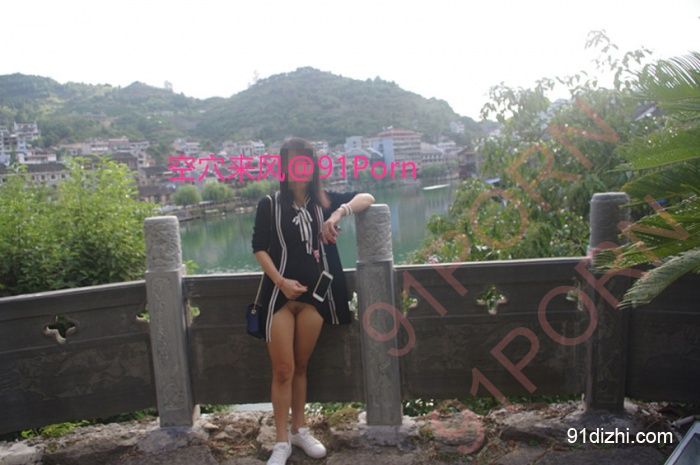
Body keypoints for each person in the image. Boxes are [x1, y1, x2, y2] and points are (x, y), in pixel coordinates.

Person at [251, 137, 375, 465]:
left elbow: (367, 197)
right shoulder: (269, 204)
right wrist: (281, 281)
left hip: (315, 298)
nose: (300, 168)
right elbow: (259, 247)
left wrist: (337, 215)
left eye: (305, 162)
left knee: (302, 366)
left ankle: (299, 429)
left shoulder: (323, 201)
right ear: (284, 166)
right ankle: (281, 442)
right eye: (293, 162)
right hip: (279, 296)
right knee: (283, 369)